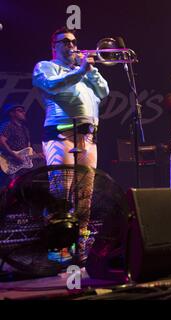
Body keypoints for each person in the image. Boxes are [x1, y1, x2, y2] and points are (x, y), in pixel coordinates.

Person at [32, 27, 109, 260]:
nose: (71, 46)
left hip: (88, 136)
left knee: (85, 194)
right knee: (61, 193)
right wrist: (81, 70)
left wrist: (90, 69)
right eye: (64, 41)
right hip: (60, 134)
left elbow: (104, 92)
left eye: (73, 42)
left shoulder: (83, 71)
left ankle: (80, 245)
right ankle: (58, 248)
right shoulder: (45, 66)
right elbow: (52, 85)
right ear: (53, 47)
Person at [0, 104, 44, 187]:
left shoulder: (25, 129)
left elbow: (27, 148)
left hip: (22, 167)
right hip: (9, 162)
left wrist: (36, 155)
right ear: (11, 113)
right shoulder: (8, 125)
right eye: (20, 110)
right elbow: (1, 142)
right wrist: (14, 155)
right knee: (9, 189)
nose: (24, 112)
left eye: (23, 111)